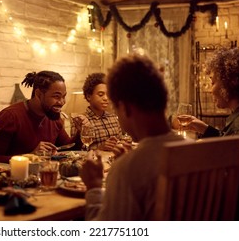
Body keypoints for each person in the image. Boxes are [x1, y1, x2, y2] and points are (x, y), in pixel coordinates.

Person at [80, 54, 186, 220]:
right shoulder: (195, 149)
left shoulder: (127, 168)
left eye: (115, 109)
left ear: (125, 109)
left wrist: (93, 187)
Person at [180, 47, 239, 221]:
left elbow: (238, 185)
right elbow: (230, 144)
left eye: (212, 82)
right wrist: (205, 129)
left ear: (232, 82)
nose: (209, 89)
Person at [0, 71, 88, 163]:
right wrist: (30, 156)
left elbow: (68, 149)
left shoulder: (53, 117)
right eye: (56, 96)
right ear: (38, 94)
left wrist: (80, 132)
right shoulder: (10, 117)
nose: (62, 102)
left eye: (63, 96)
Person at [71, 73, 123, 150]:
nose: (106, 98)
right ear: (89, 96)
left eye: (108, 94)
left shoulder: (113, 118)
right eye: (101, 94)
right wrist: (100, 148)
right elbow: (76, 150)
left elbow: (120, 141)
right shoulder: (81, 121)